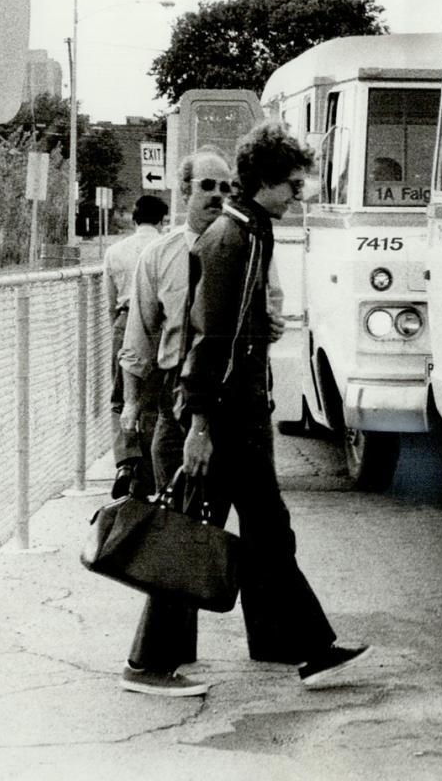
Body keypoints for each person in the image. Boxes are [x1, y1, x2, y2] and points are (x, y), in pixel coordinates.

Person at [149, 121, 370, 694]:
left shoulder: (251, 231)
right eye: (293, 186)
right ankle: (149, 663)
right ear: (265, 182)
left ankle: (293, 644)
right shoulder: (235, 238)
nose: (300, 196)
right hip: (223, 419)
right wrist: (198, 424)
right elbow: (209, 337)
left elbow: (232, 326)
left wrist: (259, 329)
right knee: (196, 535)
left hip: (239, 416)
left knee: (266, 531)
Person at [116, 147, 235, 697]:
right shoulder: (160, 255)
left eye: (226, 187)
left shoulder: (241, 249)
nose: (217, 195)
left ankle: (296, 643)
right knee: (180, 532)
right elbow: (139, 334)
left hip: (234, 404)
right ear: (184, 191)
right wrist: (132, 408)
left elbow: (274, 314)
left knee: (241, 528)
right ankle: (148, 663)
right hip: (175, 401)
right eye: (207, 185)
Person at [103, 193, 169, 497]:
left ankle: (126, 462)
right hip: (159, 324)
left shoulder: (115, 252)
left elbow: (109, 301)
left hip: (125, 318)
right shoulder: (165, 248)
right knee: (154, 397)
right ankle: (149, 472)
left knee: (121, 397)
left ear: (134, 218)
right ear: (162, 220)